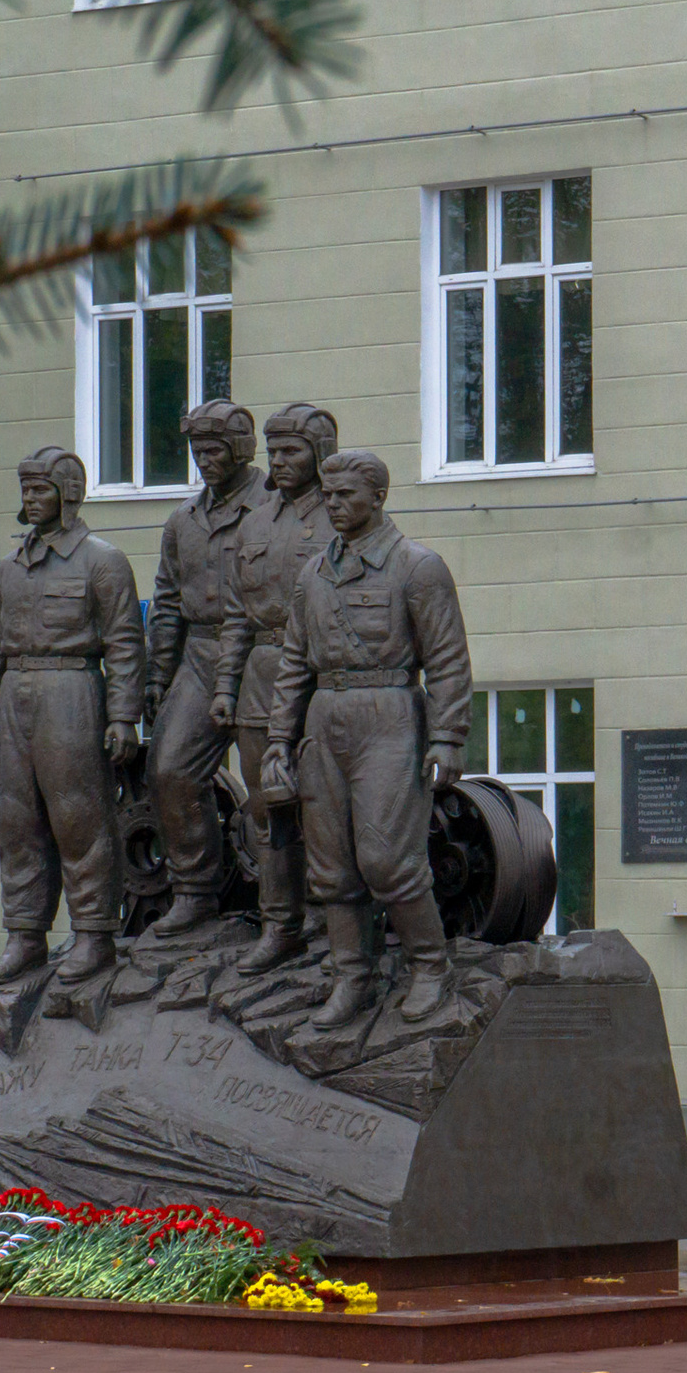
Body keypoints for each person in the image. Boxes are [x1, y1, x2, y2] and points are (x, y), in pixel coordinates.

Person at [262, 449, 473, 1025]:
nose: (332, 504)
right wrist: (279, 739)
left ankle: (430, 966)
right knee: (331, 865)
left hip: (391, 716)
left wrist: (447, 737)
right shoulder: (313, 573)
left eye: (345, 495)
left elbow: (447, 660)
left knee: (386, 859)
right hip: (325, 719)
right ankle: (352, 976)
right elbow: (293, 664)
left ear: (378, 497)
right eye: (327, 495)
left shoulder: (417, 567)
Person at [0, 446, 149, 984]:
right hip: (14, 698)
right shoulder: (9, 568)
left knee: (80, 818)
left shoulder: (102, 561)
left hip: (72, 692)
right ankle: (25, 935)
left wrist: (123, 717)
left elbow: (125, 644)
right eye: (25, 489)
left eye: (40, 489)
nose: (30, 498)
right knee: (16, 820)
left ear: (68, 494)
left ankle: (94, 933)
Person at [213, 402, 339, 972]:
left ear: (321, 454)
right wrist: (225, 686)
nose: (280, 461)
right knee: (267, 812)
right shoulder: (254, 523)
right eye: (274, 452)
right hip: (261, 679)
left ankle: (332, 921)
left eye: (292, 451)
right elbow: (236, 615)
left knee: (324, 809)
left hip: (320, 674)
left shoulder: (341, 514)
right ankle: (280, 925)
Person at [142, 401, 264, 939]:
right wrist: (157, 675)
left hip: (263, 654)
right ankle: (194, 891)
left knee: (273, 786)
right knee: (170, 769)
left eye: (214, 450)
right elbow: (167, 603)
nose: (203, 460)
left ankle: (292, 903)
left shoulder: (277, 508)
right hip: (200, 654)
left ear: (241, 449)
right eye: (197, 451)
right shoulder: (183, 521)